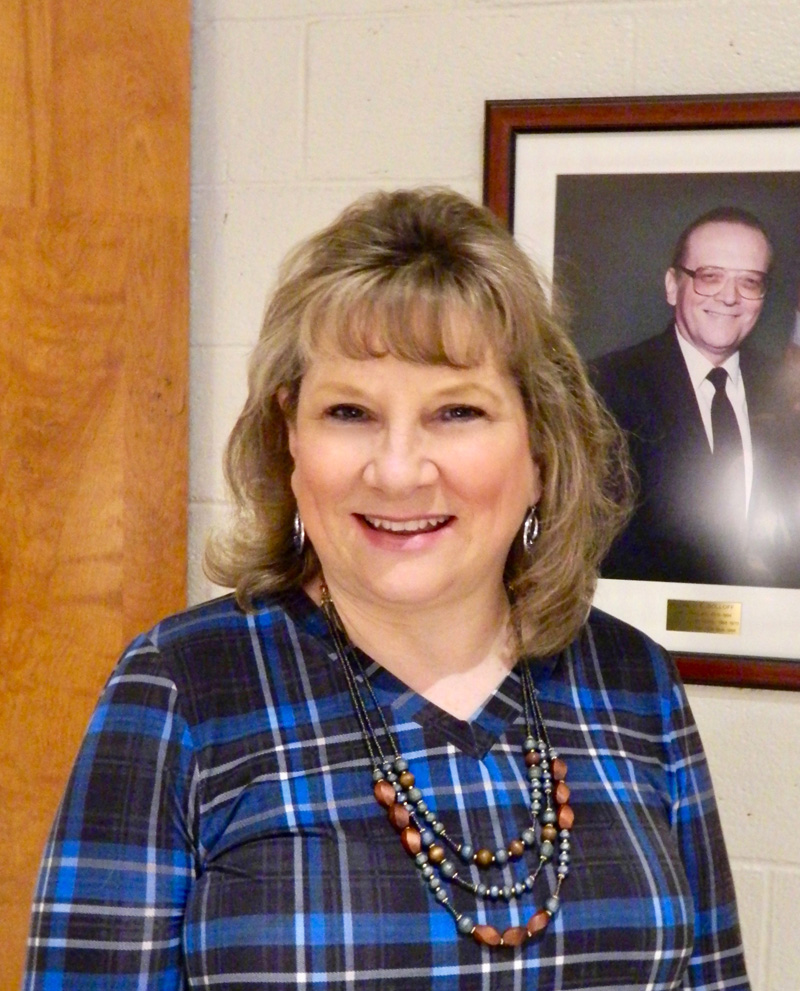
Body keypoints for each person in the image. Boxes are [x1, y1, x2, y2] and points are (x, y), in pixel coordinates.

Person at [24, 188, 750, 989]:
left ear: (541, 448)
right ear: (289, 436)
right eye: (349, 412)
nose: (398, 469)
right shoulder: (183, 691)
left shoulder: (634, 683)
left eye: (457, 413)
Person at [591, 205, 795, 586]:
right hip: (648, 631)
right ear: (672, 285)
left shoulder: (788, 390)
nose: (729, 297)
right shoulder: (605, 386)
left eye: (749, 282)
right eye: (710, 276)